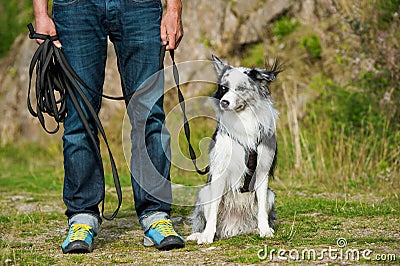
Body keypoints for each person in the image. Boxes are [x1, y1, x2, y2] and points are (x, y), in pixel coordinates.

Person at [32, 0, 184, 253]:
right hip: (75, 7)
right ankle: (82, 217)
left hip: (140, 6)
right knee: (79, 118)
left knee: (149, 116)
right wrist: (40, 13)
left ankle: (155, 214)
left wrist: (173, 10)